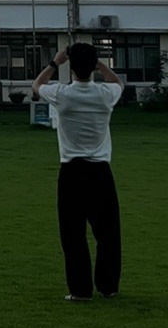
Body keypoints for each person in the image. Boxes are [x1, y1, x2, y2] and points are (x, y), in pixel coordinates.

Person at [31, 42, 124, 301]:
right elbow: (118, 82)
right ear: (93, 67)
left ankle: (80, 290)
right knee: (108, 233)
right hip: (101, 171)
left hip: (72, 172)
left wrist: (55, 62)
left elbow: (37, 85)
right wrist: (98, 62)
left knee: (73, 234)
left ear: (71, 68)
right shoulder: (105, 95)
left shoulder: (62, 94)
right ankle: (108, 286)